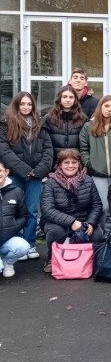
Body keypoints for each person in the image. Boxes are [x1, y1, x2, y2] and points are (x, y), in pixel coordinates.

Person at [0, 91, 53, 260]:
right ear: (16, 105)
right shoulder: (5, 124)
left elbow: (48, 151)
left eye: (29, 104)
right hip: (15, 175)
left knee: (32, 211)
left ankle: (30, 244)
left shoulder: (40, 125)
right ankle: (16, 245)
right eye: (22, 103)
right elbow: (4, 151)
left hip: (35, 176)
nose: (26, 107)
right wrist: (24, 170)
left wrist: (37, 171)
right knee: (14, 211)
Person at [40, 148, 103, 274]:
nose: (70, 165)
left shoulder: (88, 180)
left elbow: (96, 205)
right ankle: (52, 258)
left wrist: (91, 223)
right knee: (55, 232)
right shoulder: (50, 183)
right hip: (58, 222)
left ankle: (90, 260)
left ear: (79, 164)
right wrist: (71, 222)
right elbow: (47, 209)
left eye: (74, 162)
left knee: (97, 235)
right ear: (59, 165)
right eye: (66, 162)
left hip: (84, 220)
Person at [79, 95, 111, 234]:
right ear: (100, 106)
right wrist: (90, 164)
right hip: (98, 173)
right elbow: (83, 148)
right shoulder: (89, 126)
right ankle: (102, 234)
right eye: (107, 106)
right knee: (103, 206)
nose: (109, 109)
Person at [43, 85, 87, 167]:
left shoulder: (82, 119)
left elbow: (85, 146)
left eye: (71, 97)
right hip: (54, 165)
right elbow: (44, 145)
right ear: (59, 98)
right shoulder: (48, 118)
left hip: (75, 165)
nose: (68, 100)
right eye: (64, 97)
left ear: (75, 99)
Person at [0, 160, 30, 278]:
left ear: (6, 172)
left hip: (6, 238)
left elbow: (24, 216)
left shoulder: (17, 191)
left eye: (0, 171)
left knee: (23, 246)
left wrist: (11, 227)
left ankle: (8, 263)